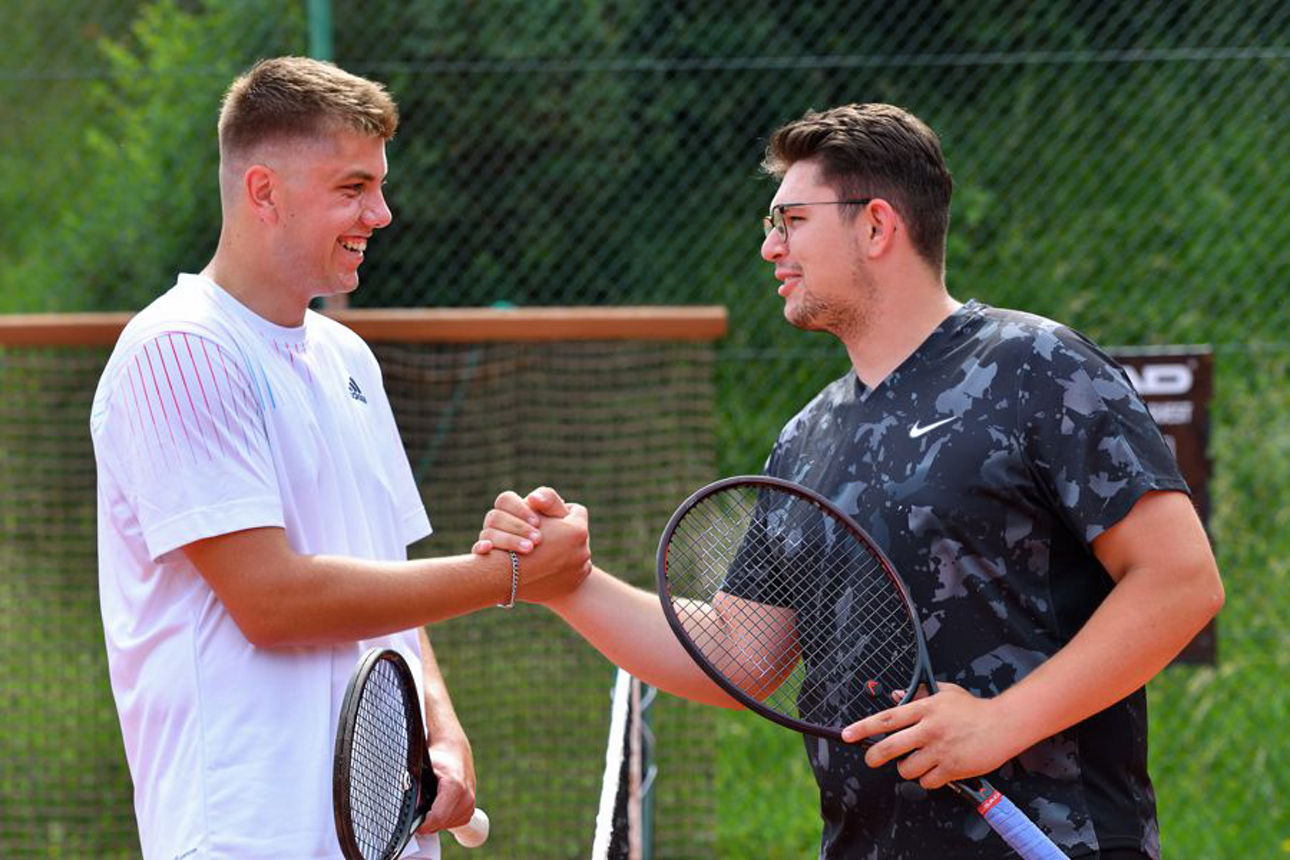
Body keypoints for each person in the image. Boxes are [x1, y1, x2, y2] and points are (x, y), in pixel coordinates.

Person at [475, 103, 1224, 858]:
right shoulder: (806, 437)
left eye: (791, 220)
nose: (770, 246)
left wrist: (1003, 722)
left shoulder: (1037, 367)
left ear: (875, 226)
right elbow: (739, 652)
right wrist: (569, 583)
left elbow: (1180, 582)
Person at [89, 57, 590, 859]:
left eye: (380, 186)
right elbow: (272, 601)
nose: (381, 214)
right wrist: (509, 576)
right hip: (247, 838)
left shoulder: (347, 357)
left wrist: (443, 730)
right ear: (264, 193)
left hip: (387, 832)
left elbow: (386, 577)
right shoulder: (178, 349)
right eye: (353, 188)